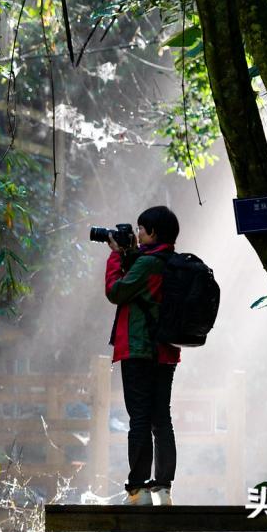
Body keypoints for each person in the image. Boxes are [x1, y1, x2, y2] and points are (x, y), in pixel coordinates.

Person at [104, 205, 181, 506]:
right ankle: (163, 488)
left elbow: (117, 291)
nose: (136, 234)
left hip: (138, 349)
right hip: (165, 351)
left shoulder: (147, 265)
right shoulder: (170, 261)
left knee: (139, 419)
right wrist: (129, 253)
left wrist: (114, 256)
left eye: (141, 229)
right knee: (161, 418)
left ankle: (137, 490)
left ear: (154, 232)